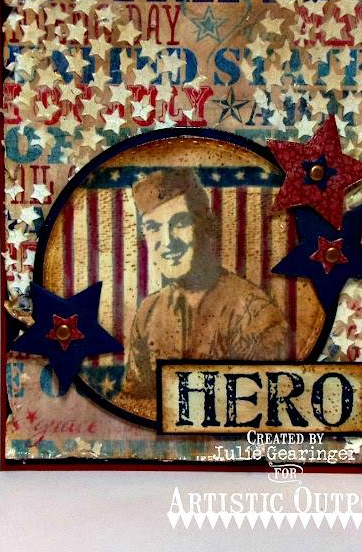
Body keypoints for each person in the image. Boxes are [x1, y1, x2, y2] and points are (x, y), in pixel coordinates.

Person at [117, 168, 292, 420]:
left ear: (205, 227)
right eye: (153, 228)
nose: (167, 242)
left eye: (180, 223)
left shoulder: (254, 313)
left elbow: (262, 411)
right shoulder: (148, 312)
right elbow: (131, 404)